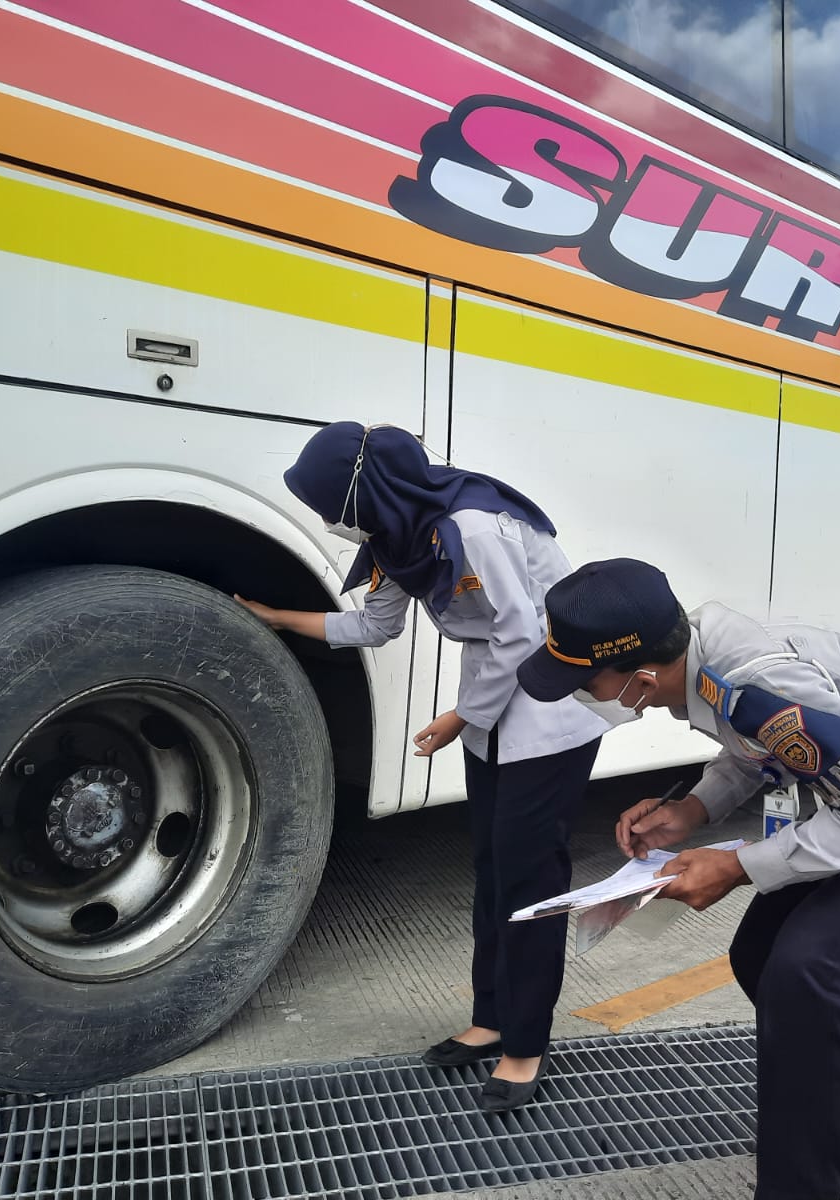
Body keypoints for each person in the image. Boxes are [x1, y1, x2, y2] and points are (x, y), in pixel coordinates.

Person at [516, 558, 840, 1199]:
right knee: (759, 955)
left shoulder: (759, 685)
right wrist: (691, 812)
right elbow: (756, 748)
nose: (588, 697)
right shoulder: (705, 660)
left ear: (640, 679)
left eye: (586, 684)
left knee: (803, 974)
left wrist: (735, 866)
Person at [236, 422, 604, 1113]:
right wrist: (279, 617)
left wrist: (461, 715)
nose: (330, 522)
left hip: (553, 710)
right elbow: (374, 625)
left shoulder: (473, 527)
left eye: (329, 507)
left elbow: (523, 634)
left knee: (529, 880)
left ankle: (525, 1044)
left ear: (362, 493)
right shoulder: (398, 537)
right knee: (493, 872)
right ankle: (491, 1018)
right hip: (494, 707)